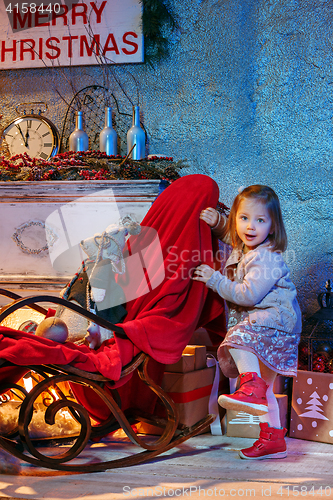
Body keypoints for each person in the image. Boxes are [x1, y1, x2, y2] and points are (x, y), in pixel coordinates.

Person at [193, 184, 302, 460]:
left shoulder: (265, 257)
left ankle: (249, 385)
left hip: (274, 323)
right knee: (266, 390)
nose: (250, 227)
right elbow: (233, 235)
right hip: (277, 327)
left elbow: (247, 294)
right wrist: (218, 222)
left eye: (260, 220)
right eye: (244, 218)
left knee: (239, 337)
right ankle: (274, 440)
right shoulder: (248, 245)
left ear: (273, 227)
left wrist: (214, 280)